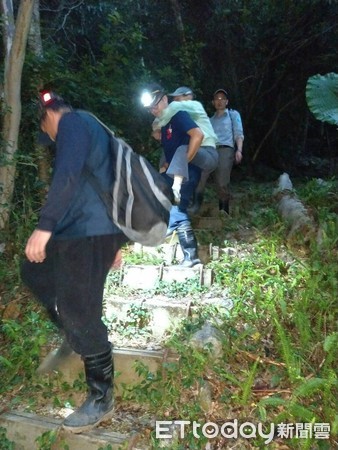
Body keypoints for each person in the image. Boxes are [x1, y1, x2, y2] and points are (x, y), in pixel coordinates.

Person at [21, 90, 129, 433]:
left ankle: (101, 397)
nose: (50, 139)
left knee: (80, 308)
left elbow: (66, 175)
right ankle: (73, 330)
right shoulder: (92, 131)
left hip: (85, 232)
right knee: (33, 269)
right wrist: (116, 238)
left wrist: (44, 226)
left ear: (49, 115)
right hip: (88, 230)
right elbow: (109, 183)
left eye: (47, 131)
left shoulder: (72, 123)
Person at [141, 84, 203, 267]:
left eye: (156, 105)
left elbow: (197, 135)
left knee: (176, 208)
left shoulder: (178, 116)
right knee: (168, 203)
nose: (153, 110)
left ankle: (189, 254)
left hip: (187, 172)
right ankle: (190, 257)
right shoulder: (166, 122)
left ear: (165, 99)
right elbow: (166, 141)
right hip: (174, 172)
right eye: (150, 108)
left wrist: (183, 162)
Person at [210, 89, 244, 214]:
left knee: (222, 179)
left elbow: (238, 133)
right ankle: (223, 204)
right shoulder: (210, 120)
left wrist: (239, 150)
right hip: (212, 150)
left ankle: (224, 209)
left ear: (227, 101)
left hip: (226, 149)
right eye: (217, 99)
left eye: (222, 98)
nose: (220, 101)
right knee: (216, 179)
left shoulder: (233, 115)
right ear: (213, 102)